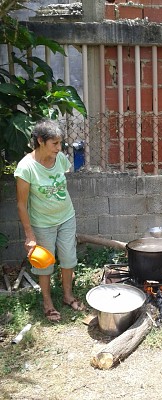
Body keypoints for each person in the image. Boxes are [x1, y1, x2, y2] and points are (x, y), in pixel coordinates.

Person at [14, 119, 85, 322]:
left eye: (60, 143)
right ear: (40, 141)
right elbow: (21, 204)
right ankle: (47, 303)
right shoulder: (26, 168)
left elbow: (60, 185)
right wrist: (29, 234)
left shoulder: (60, 158)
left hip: (66, 217)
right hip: (42, 223)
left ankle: (67, 295)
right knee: (44, 264)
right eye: (54, 143)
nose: (59, 148)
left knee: (69, 258)